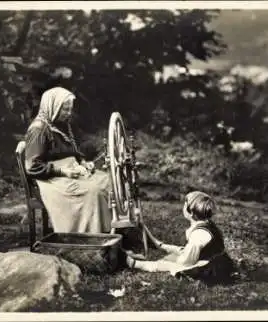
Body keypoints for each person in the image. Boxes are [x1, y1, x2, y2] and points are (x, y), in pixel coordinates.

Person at [24, 87, 112, 233]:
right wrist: (63, 172)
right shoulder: (39, 130)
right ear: (53, 107)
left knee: (106, 182)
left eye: (70, 109)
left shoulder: (61, 124)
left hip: (71, 170)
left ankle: (112, 231)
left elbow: (71, 150)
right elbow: (33, 167)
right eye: (65, 109)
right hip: (52, 179)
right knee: (93, 191)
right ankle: (89, 236)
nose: (68, 113)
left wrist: (82, 161)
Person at [125, 191, 237, 285]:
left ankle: (135, 263)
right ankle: (158, 249)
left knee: (169, 264)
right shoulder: (206, 224)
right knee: (173, 256)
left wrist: (171, 261)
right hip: (214, 262)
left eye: (185, 204)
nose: (183, 206)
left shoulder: (198, 235)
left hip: (210, 270)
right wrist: (161, 246)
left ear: (191, 213)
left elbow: (186, 261)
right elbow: (187, 250)